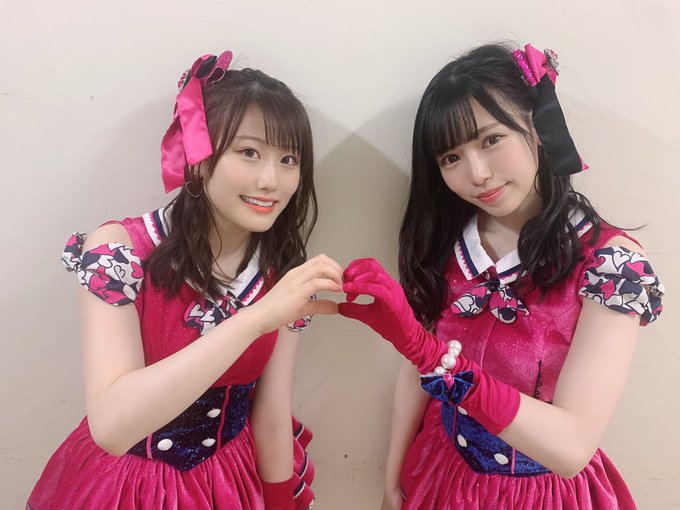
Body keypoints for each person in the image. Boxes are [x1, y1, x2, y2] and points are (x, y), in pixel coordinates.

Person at [339, 43, 664, 509]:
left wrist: (436, 359)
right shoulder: (449, 243)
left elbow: (572, 447)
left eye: (491, 140)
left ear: (537, 124)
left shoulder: (610, 264)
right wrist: (392, 480)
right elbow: (416, 370)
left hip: (542, 494)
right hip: (438, 469)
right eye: (450, 157)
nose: (477, 174)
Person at [27, 50, 342, 510]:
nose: (271, 180)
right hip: (125, 487)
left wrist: (280, 502)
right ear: (198, 155)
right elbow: (112, 426)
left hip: (230, 481)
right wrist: (255, 320)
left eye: (289, 158)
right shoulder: (118, 251)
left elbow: (271, 415)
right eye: (249, 152)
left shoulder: (281, 270)